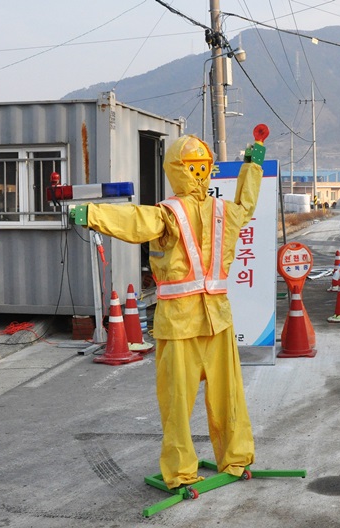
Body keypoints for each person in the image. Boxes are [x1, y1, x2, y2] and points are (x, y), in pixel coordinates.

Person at [74, 127, 267, 489]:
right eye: (195, 166)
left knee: (177, 404)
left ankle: (181, 472)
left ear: (172, 169)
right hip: (218, 322)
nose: (197, 172)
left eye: (199, 166)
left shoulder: (168, 214)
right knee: (228, 398)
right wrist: (251, 164)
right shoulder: (225, 212)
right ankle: (236, 457)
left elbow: (132, 220)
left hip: (181, 324)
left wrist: (89, 213)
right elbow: (247, 203)